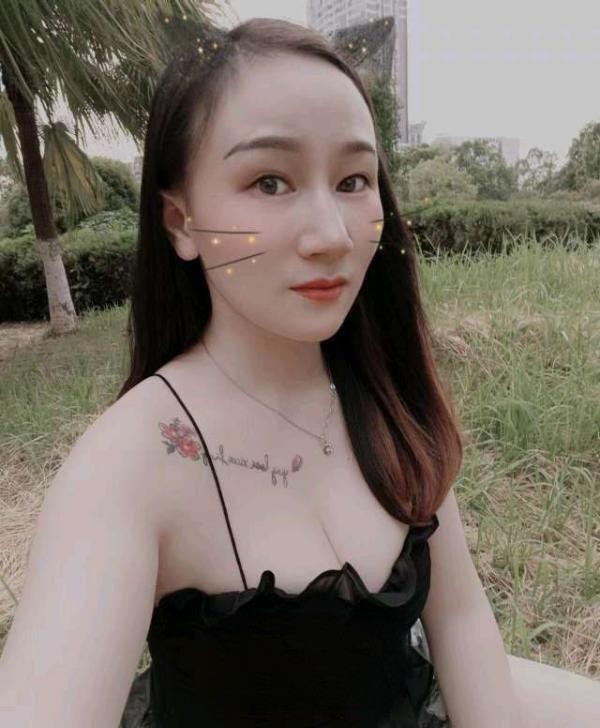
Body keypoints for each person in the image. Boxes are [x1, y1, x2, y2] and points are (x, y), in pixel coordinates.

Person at [1, 16, 599, 728]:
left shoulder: (384, 393)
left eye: (353, 180)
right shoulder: (131, 463)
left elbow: (464, 623)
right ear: (180, 222)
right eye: (270, 181)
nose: (331, 236)